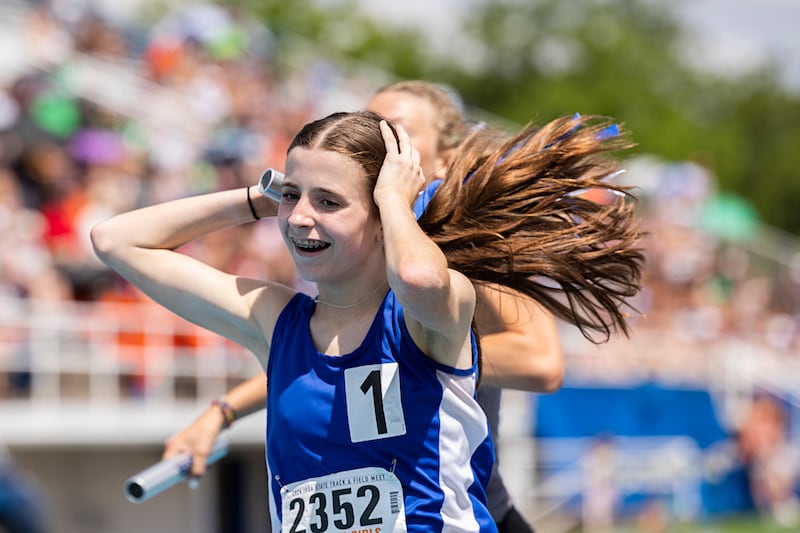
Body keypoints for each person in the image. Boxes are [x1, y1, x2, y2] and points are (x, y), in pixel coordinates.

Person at [91, 110, 643, 531]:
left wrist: (397, 202)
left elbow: (422, 278)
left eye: (330, 201)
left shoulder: (428, 315)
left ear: (382, 215)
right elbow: (116, 241)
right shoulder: (275, 319)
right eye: (294, 196)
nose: (301, 217)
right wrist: (259, 198)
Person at [163, 80, 563, 532]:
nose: (377, 140)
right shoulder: (340, 241)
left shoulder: (469, 260)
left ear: (443, 161)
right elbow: (329, 363)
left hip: (474, 505)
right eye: (369, 124)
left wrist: (422, 356)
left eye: (396, 132)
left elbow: (541, 363)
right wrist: (225, 410)